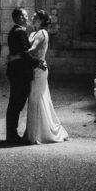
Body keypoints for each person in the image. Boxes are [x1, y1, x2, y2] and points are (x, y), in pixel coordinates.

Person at [24, 10, 68, 145]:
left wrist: (18, 54)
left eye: (35, 17)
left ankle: (40, 133)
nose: (32, 18)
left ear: (41, 20)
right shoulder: (32, 33)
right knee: (34, 98)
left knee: (38, 98)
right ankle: (32, 132)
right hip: (33, 68)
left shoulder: (42, 33)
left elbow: (33, 48)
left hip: (39, 68)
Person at [5, 7, 42, 144]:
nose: (27, 18)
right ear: (20, 17)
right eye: (25, 16)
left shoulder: (15, 31)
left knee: (15, 103)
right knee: (16, 103)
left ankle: (11, 133)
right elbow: (25, 54)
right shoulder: (19, 32)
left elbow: (20, 53)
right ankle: (11, 134)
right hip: (20, 73)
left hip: (16, 71)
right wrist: (38, 63)